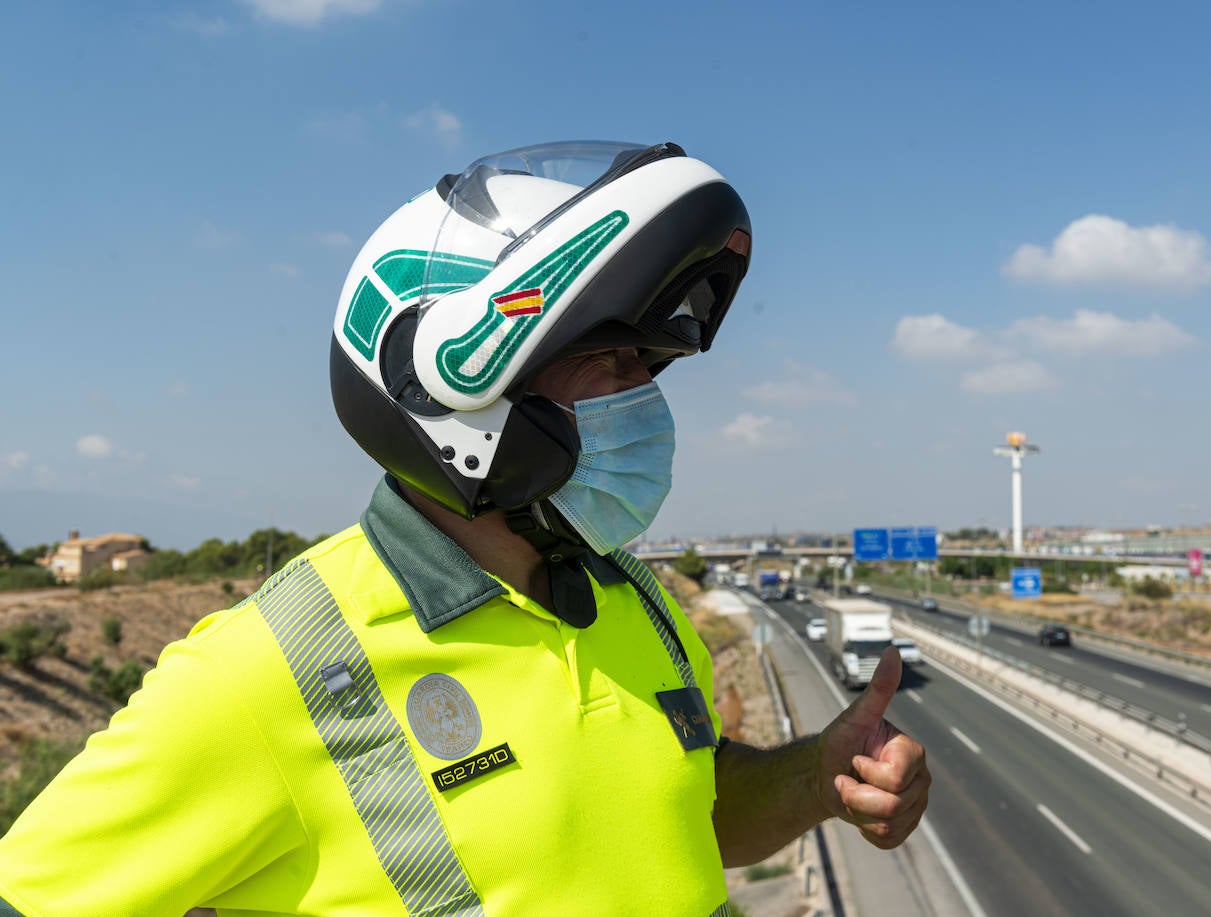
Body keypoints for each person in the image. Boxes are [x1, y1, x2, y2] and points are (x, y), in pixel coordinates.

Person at [0, 141, 929, 916]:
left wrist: (817, 779)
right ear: (453, 389)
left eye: (646, 364)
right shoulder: (263, 674)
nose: (640, 397)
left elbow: (692, 812)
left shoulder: (632, 600)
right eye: (603, 359)